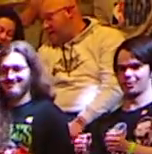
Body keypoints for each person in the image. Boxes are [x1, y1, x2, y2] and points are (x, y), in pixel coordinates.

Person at [33, 0, 127, 135]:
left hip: (98, 119)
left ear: (69, 12)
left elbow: (114, 88)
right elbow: (41, 94)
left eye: (49, 18)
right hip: (57, 121)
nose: (45, 26)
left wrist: (82, 120)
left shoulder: (107, 38)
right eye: (42, 21)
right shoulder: (45, 51)